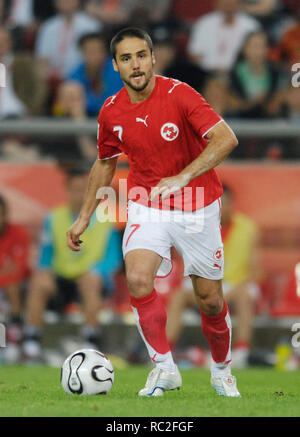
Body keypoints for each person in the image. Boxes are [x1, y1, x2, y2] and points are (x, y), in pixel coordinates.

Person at [67, 27, 240, 397]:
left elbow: (226, 138)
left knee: (209, 299)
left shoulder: (180, 94)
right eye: (126, 58)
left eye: (141, 55)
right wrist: (84, 216)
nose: (136, 64)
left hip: (197, 204)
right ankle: (164, 369)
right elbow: (104, 164)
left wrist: (184, 175)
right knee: (139, 278)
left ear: (153, 58)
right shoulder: (111, 111)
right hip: (147, 202)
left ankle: (223, 371)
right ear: (116, 66)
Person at [23, 169, 122, 362]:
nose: (79, 195)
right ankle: (31, 340)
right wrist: (45, 272)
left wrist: (96, 271)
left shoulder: (105, 219)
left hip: (92, 280)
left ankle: (91, 339)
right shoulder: (54, 218)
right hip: (62, 279)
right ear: (67, 190)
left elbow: (113, 259)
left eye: (84, 190)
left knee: (90, 281)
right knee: (39, 281)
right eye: (75, 190)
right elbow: (46, 253)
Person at [167, 184, 262, 368]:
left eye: (226, 203)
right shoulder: (198, 226)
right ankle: (166, 353)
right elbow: (188, 264)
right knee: (178, 295)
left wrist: (235, 288)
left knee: (245, 296)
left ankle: (242, 352)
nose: (222, 208)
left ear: (232, 204)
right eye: (218, 203)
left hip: (235, 286)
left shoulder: (248, 229)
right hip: (205, 283)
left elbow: (256, 271)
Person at [35, 0, 101, 81]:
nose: (65, 2)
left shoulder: (91, 26)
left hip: (81, 77)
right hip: (51, 79)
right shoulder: (48, 27)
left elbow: (95, 58)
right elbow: (42, 59)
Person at [187, 0, 260, 72]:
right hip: (206, 73)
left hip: (238, 75)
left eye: (231, 2)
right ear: (217, 3)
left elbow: (256, 54)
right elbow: (194, 54)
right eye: (224, 2)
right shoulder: (204, 23)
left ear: (239, 3)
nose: (228, 5)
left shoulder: (250, 25)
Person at [0, 195, 30, 363]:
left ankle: (13, 339)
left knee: (13, 287)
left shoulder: (18, 233)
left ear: (5, 215)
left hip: (17, 288)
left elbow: (17, 271)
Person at [67, 32, 123, 117]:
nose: (94, 55)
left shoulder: (117, 70)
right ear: (82, 53)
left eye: (98, 51)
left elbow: (113, 102)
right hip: (87, 116)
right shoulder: (78, 71)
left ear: (105, 52)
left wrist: (87, 102)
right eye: (89, 51)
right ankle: (82, 129)